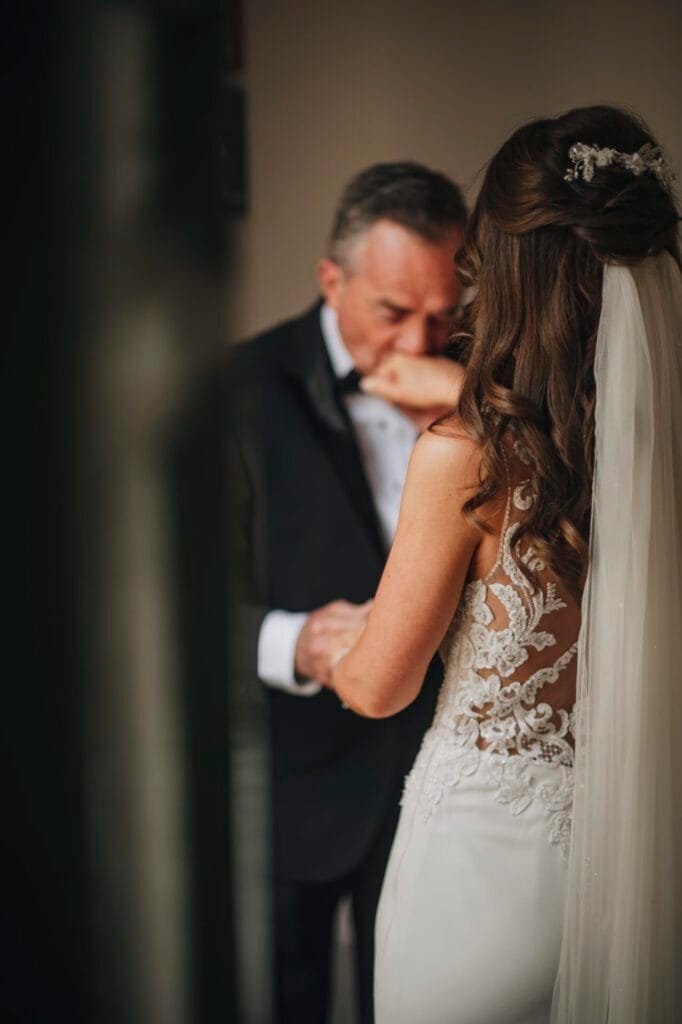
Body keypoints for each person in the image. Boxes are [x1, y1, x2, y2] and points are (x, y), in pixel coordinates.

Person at [331, 107, 682, 1023]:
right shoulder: (662, 456)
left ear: (506, 266)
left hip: (480, 876)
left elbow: (378, 687)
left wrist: (336, 641)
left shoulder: (469, 457)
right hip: (637, 870)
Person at [228, 162, 467, 1023]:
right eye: (393, 313)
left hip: (448, 794)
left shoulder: (484, 389)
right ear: (333, 280)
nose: (419, 343)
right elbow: (178, 611)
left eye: (444, 314)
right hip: (298, 789)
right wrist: (289, 642)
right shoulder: (235, 388)